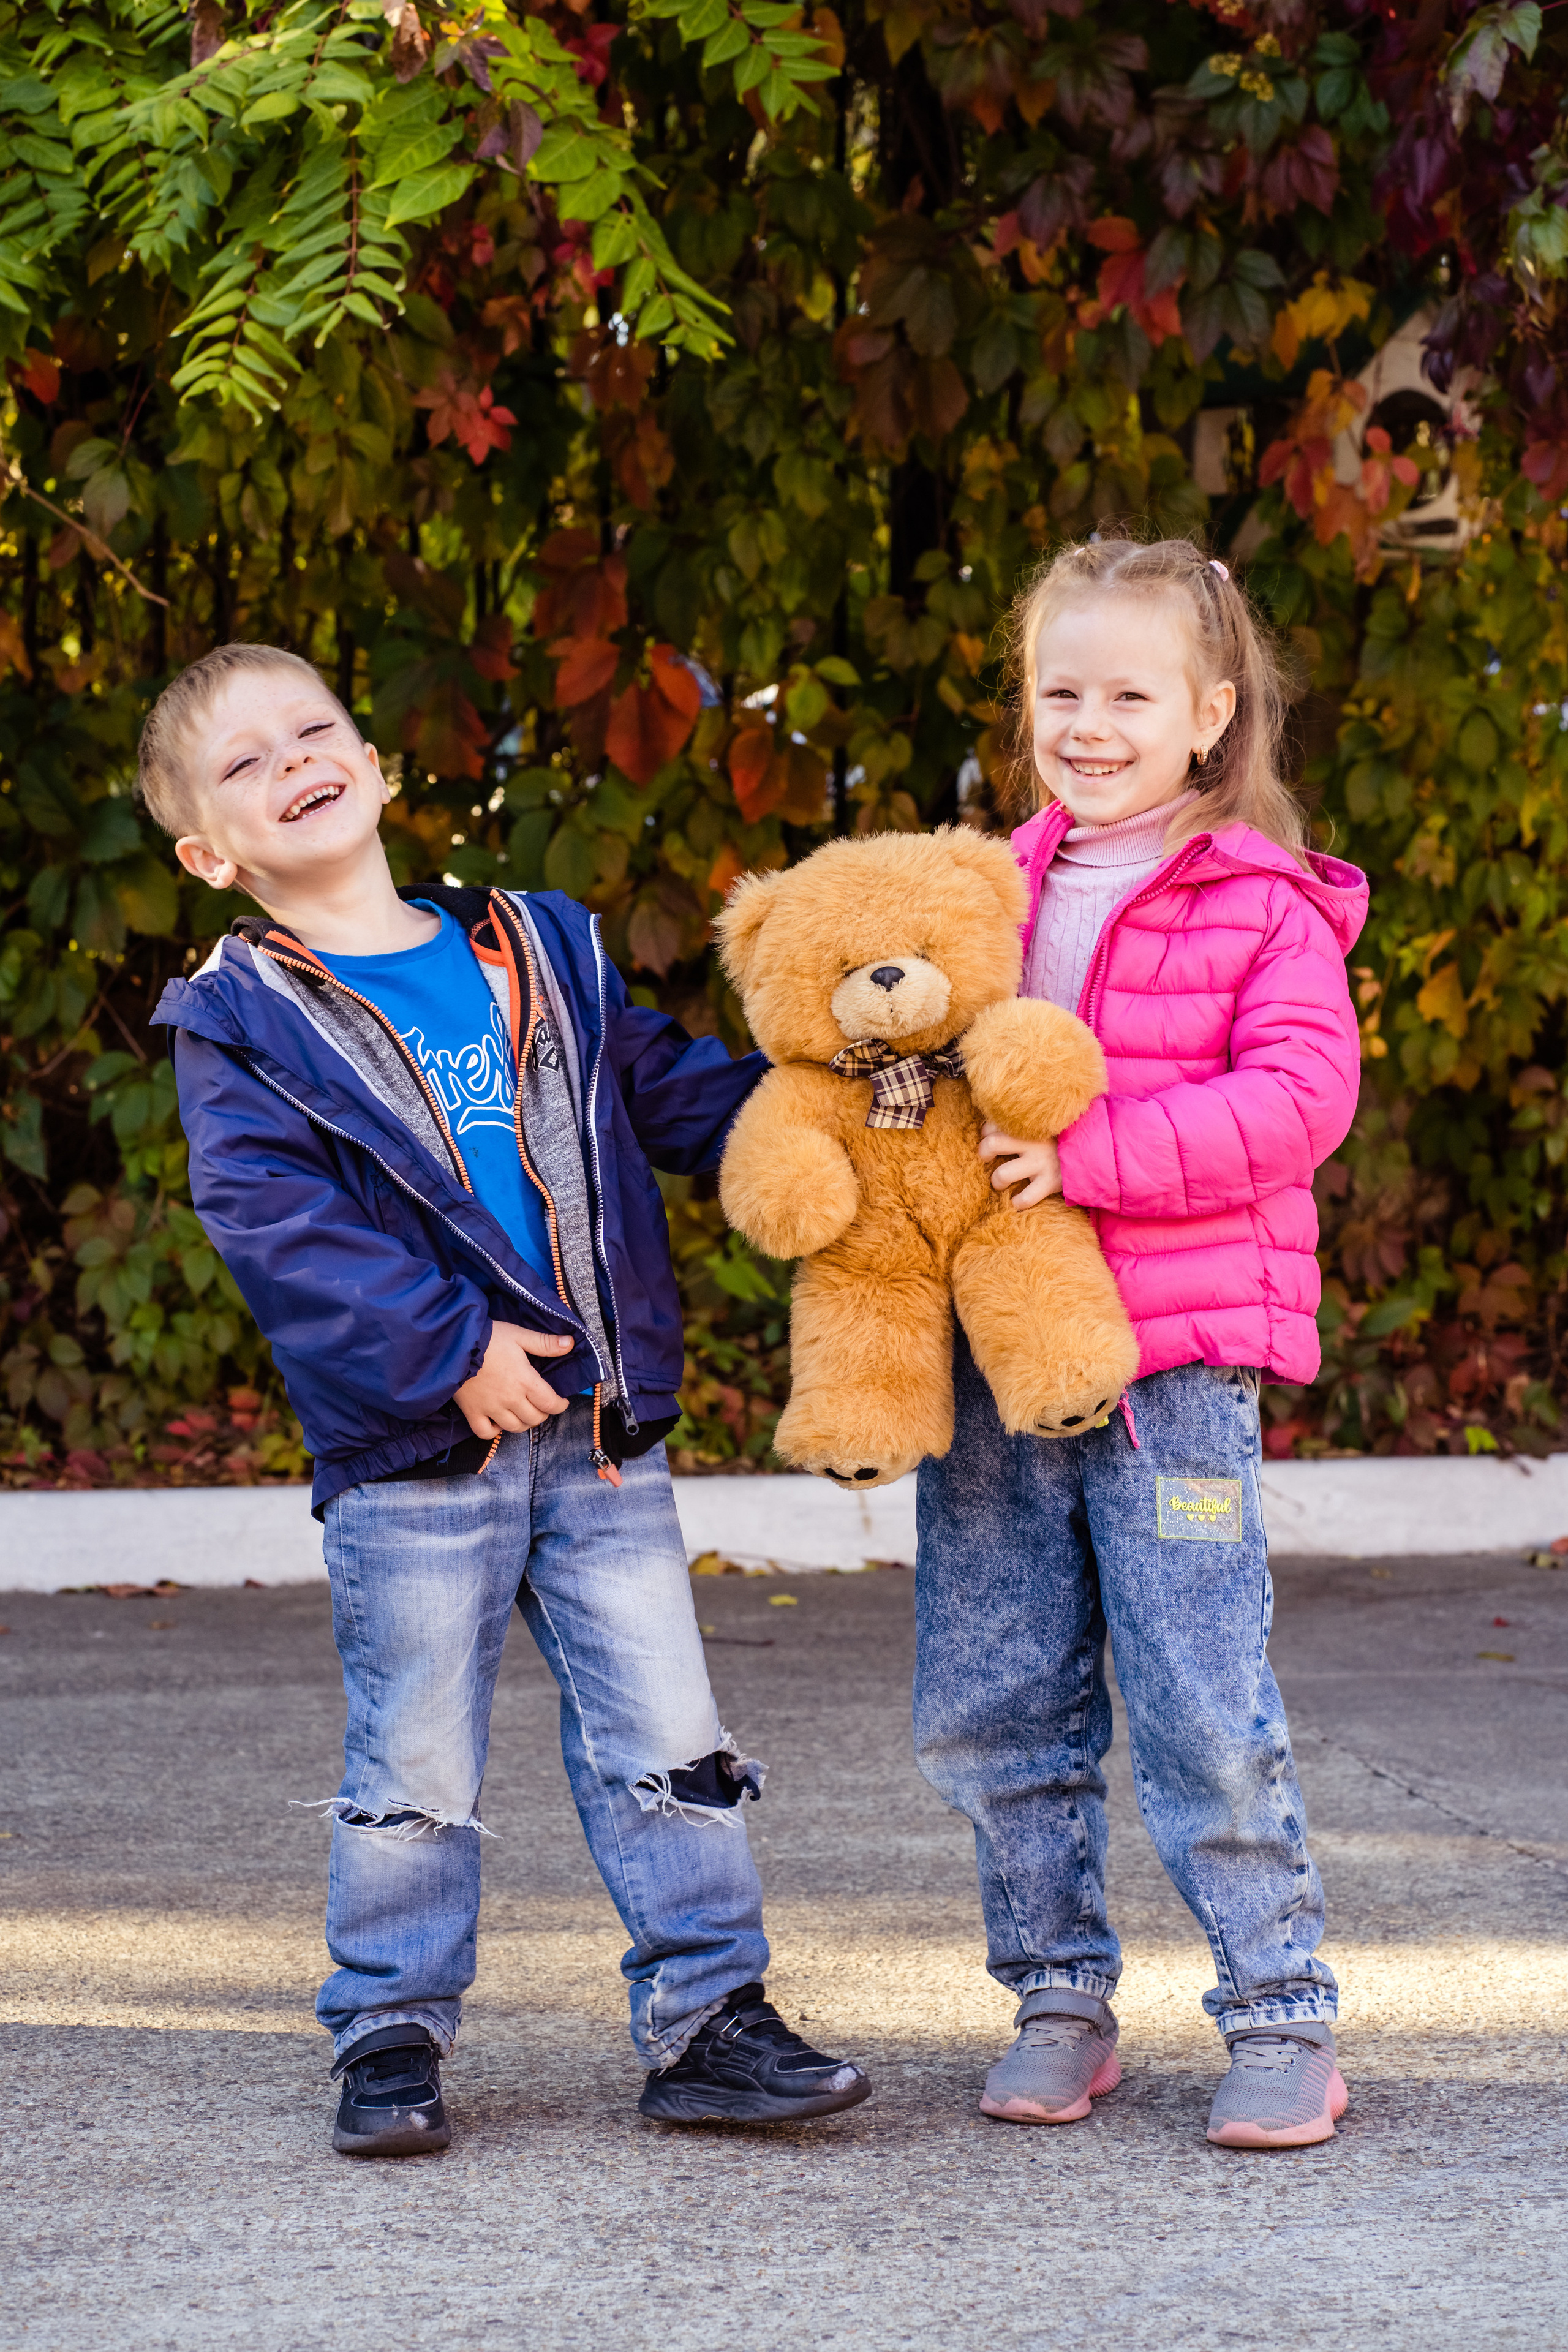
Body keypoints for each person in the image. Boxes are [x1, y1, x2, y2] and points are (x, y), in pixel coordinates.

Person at [145, 643, 870, 2154]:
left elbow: (673, 1095)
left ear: (381, 765)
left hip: (596, 1435)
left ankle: (709, 2022)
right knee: (413, 1758)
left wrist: (842, 1117)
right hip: (418, 1445)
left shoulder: (540, 947)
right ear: (210, 852)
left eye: (315, 728)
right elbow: (273, 1219)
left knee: (669, 1732)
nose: (293, 761)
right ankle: (390, 2034)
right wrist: (446, 1350)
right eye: (245, 763)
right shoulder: (243, 1017)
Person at [914, 537, 1367, 2150]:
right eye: (1060, 690)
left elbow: (1300, 1099)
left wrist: (1090, 1154)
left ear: (1210, 713)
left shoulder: (1265, 902)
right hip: (991, 1360)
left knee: (1196, 1696)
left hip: (1172, 1370)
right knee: (992, 1700)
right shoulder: (975, 891)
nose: (1088, 723)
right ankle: (1056, 1999)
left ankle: (1280, 2017)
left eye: (1129, 693)